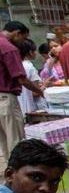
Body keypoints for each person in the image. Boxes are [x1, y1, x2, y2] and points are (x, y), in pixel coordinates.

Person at [0, 21, 43, 170]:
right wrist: (40, 91)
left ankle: (9, 175)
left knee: (4, 144)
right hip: (6, 99)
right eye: (23, 38)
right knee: (15, 142)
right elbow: (22, 79)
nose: (22, 43)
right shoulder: (9, 48)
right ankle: (18, 178)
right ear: (17, 33)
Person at [17, 39, 47, 115]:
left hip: (18, 106)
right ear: (30, 52)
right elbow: (35, 93)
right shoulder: (30, 67)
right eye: (35, 51)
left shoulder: (16, 65)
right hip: (29, 107)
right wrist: (45, 85)